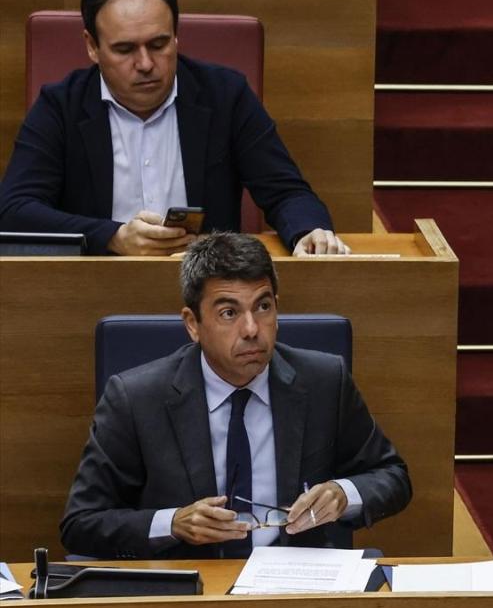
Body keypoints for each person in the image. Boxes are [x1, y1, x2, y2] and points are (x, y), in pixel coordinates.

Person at [61, 232, 411, 559]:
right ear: (192, 324)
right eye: (229, 313)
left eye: (263, 307)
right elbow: (81, 523)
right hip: (187, 594)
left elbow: (392, 476)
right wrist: (173, 523)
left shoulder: (323, 381)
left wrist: (342, 493)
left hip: (294, 587)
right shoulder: (136, 398)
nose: (251, 330)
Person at [0, 0, 350, 255]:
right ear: (92, 47)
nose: (145, 63)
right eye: (124, 49)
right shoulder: (61, 105)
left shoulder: (225, 95)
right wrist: (112, 236)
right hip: (97, 280)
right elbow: (13, 210)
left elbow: (287, 192)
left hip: (211, 287)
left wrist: (307, 231)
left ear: (176, 36)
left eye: (158, 44)